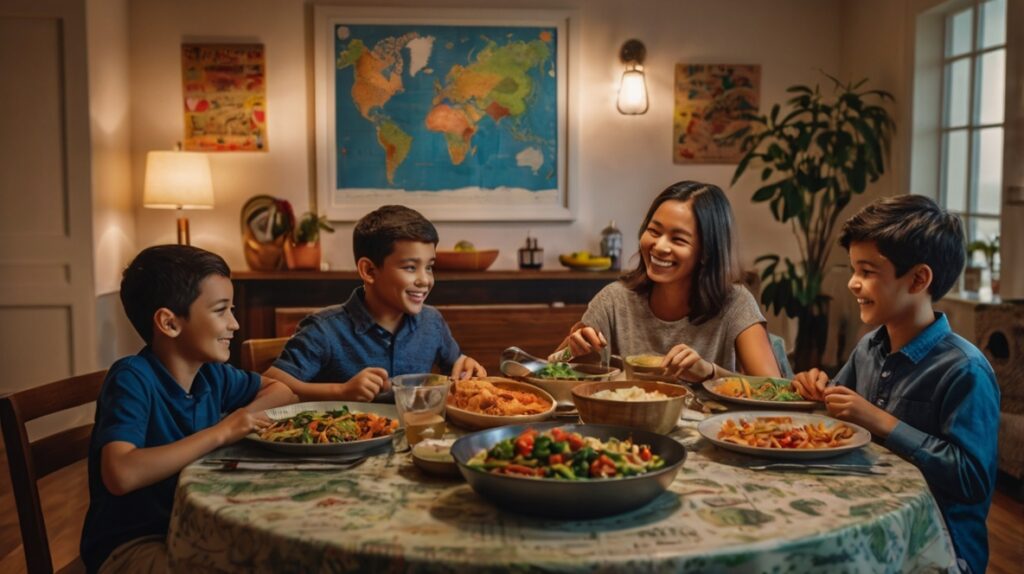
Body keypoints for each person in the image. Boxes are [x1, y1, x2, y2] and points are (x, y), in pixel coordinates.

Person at [791, 195, 999, 574]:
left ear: (919, 279)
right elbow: (836, 418)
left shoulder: (966, 370)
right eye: (853, 269)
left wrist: (881, 421)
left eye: (868, 271)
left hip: (941, 550)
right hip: (870, 523)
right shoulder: (869, 346)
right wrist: (816, 390)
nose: (853, 283)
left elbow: (973, 480)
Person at [80, 245, 297, 573]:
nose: (235, 324)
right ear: (169, 323)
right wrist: (222, 432)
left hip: (192, 527)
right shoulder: (132, 378)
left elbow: (282, 391)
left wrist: (245, 418)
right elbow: (121, 473)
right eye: (221, 311)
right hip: (132, 546)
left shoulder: (211, 374)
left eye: (232, 309)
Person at [556, 180, 781, 381]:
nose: (659, 246)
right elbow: (552, 368)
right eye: (654, 231)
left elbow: (774, 390)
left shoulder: (736, 303)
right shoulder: (613, 300)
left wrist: (710, 373)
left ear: (707, 251)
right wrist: (572, 351)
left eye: (678, 239)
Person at [265, 205, 486, 401]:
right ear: (369, 270)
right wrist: (340, 391)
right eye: (410, 267)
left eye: (429, 267)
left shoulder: (432, 322)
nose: (425, 280)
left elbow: (457, 368)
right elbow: (271, 382)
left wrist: (466, 367)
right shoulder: (323, 329)